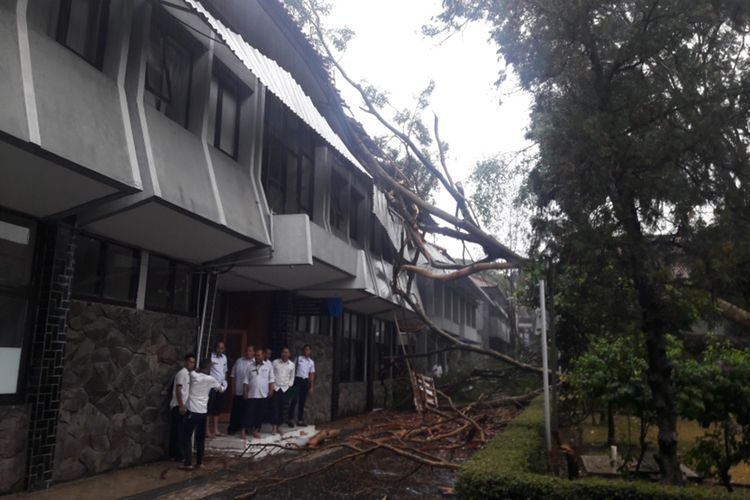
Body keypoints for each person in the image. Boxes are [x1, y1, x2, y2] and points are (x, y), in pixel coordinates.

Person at [181, 358, 224, 470]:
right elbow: (221, 389)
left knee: (187, 437)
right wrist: (225, 383)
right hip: (203, 413)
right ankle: (200, 462)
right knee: (200, 439)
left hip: (192, 411)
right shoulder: (211, 379)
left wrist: (197, 369)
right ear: (208, 368)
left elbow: (191, 371)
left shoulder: (194, 375)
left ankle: (188, 462)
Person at [243, 347, 275, 438]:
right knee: (249, 413)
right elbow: (246, 381)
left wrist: (271, 390)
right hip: (252, 394)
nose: (258, 357)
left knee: (260, 414)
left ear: (263, 356)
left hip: (263, 394)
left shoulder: (268, 366)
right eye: (256, 355)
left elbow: (271, 380)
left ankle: (256, 430)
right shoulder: (250, 367)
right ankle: (247, 429)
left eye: (259, 355)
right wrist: (245, 392)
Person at [169, 353, 195, 461]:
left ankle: (177, 453)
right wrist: (181, 405)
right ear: (186, 362)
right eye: (190, 362)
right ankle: (178, 455)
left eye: (193, 362)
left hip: (185, 406)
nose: (192, 364)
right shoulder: (182, 374)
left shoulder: (189, 374)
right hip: (179, 406)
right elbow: (179, 389)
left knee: (181, 431)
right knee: (178, 431)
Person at [227, 345, 254, 436]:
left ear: (253, 352)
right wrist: (233, 388)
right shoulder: (239, 361)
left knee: (248, 411)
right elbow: (233, 375)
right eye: (246, 350)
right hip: (238, 390)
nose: (248, 352)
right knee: (236, 410)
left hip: (250, 392)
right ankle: (233, 428)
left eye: (250, 350)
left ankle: (247, 428)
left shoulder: (255, 363)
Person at [288, 344, 315, 427]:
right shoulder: (298, 358)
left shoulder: (311, 362)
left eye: (308, 350)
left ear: (310, 351)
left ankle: (300, 419)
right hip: (297, 380)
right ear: (303, 351)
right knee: (294, 399)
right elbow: (292, 369)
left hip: (305, 381)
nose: (306, 351)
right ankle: (290, 418)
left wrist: (311, 386)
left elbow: (311, 374)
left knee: (302, 401)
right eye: (305, 350)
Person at [271, 347, 295, 435]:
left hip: (285, 389)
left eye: (287, 352)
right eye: (283, 352)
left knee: (283, 408)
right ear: (281, 353)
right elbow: (271, 374)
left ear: (289, 354)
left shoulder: (292, 364)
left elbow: (292, 377)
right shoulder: (275, 362)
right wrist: (272, 385)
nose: (285, 354)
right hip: (276, 388)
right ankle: (273, 426)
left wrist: (289, 385)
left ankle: (279, 426)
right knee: (274, 407)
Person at [207, 341, 228, 438]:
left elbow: (224, 371)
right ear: (215, 348)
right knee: (209, 408)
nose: (220, 350)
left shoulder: (224, 357)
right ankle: (207, 430)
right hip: (211, 386)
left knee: (217, 409)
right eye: (219, 348)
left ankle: (216, 429)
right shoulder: (211, 356)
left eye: (222, 348)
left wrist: (224, 383)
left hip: (221, 386)